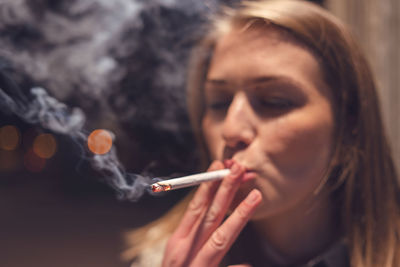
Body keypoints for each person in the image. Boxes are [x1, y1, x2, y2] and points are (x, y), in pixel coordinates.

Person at [124, 0, 400, 266]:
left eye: (274, 101)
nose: (232, 130)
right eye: (219, 103)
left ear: (347, 131)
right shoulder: (162, 260)